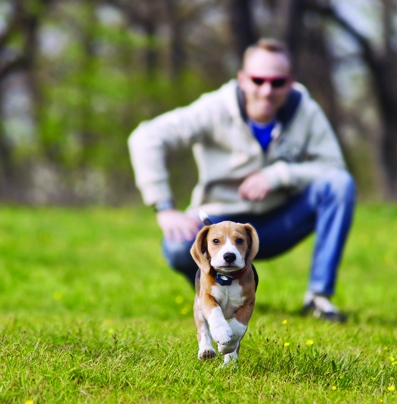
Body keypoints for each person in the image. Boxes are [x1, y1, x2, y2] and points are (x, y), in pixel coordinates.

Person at [128, 38, 356, 322]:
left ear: (290, 82)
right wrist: (164, 206)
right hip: (219, 219)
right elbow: (145, 137)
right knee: (176, 247)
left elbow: (334, 168)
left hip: (279, 223)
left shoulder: (306, 111)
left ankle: (318, 298)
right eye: (258, 80)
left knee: (339, 186)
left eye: (277, 82)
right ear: (242, 80)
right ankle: (212, 292)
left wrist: (278, 175)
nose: (266, 90)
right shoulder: (215, 108)